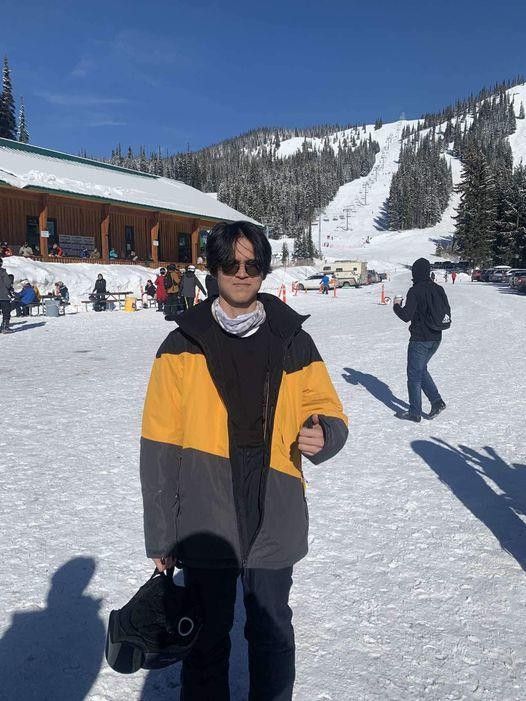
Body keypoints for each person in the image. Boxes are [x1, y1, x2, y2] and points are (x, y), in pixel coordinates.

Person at [140, 220, 348, 700]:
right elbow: (158, 448)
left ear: (264, 270)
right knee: (205, 639)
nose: (241, 273)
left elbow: (328, 406)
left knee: (272, 631)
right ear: (213, 269)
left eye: (252, 265)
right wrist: (161, 533)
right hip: (205, 511)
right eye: (229, 263)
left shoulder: (292, 337)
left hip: (275, 500)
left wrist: (326, 432)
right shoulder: (181, 345)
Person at [393, 257, 450, 422]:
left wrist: (396, 305)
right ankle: (437, 402)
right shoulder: (438, 288)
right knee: (421, 370)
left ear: (415, 273)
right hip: (436, 337)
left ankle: (415, 412)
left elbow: (406, 316)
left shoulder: (415, 290)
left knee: (414, 374)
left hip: (420, 339)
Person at [0, 258, 14, 333]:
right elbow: (8, 284)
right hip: (3, 296)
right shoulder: (2, 272)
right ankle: (5, 327)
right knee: (6, 312)